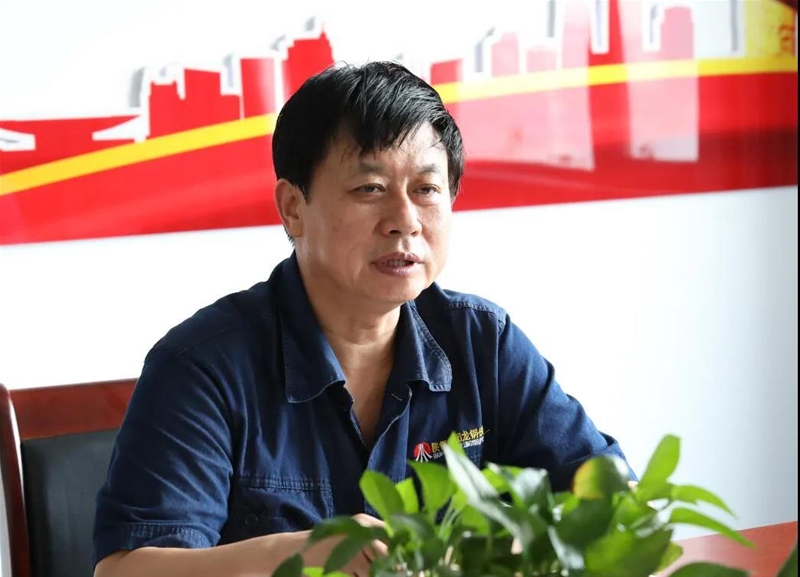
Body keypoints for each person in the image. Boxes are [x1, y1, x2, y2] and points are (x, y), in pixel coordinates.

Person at [93, 61, 634, 577]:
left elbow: (614, 503)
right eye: (369, 189)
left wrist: (493, 548)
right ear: (293, 207)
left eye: (426, 190)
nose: (405, 221)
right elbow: (126, 569)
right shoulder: (203, 366)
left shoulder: (482, 342)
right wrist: (300, 553)